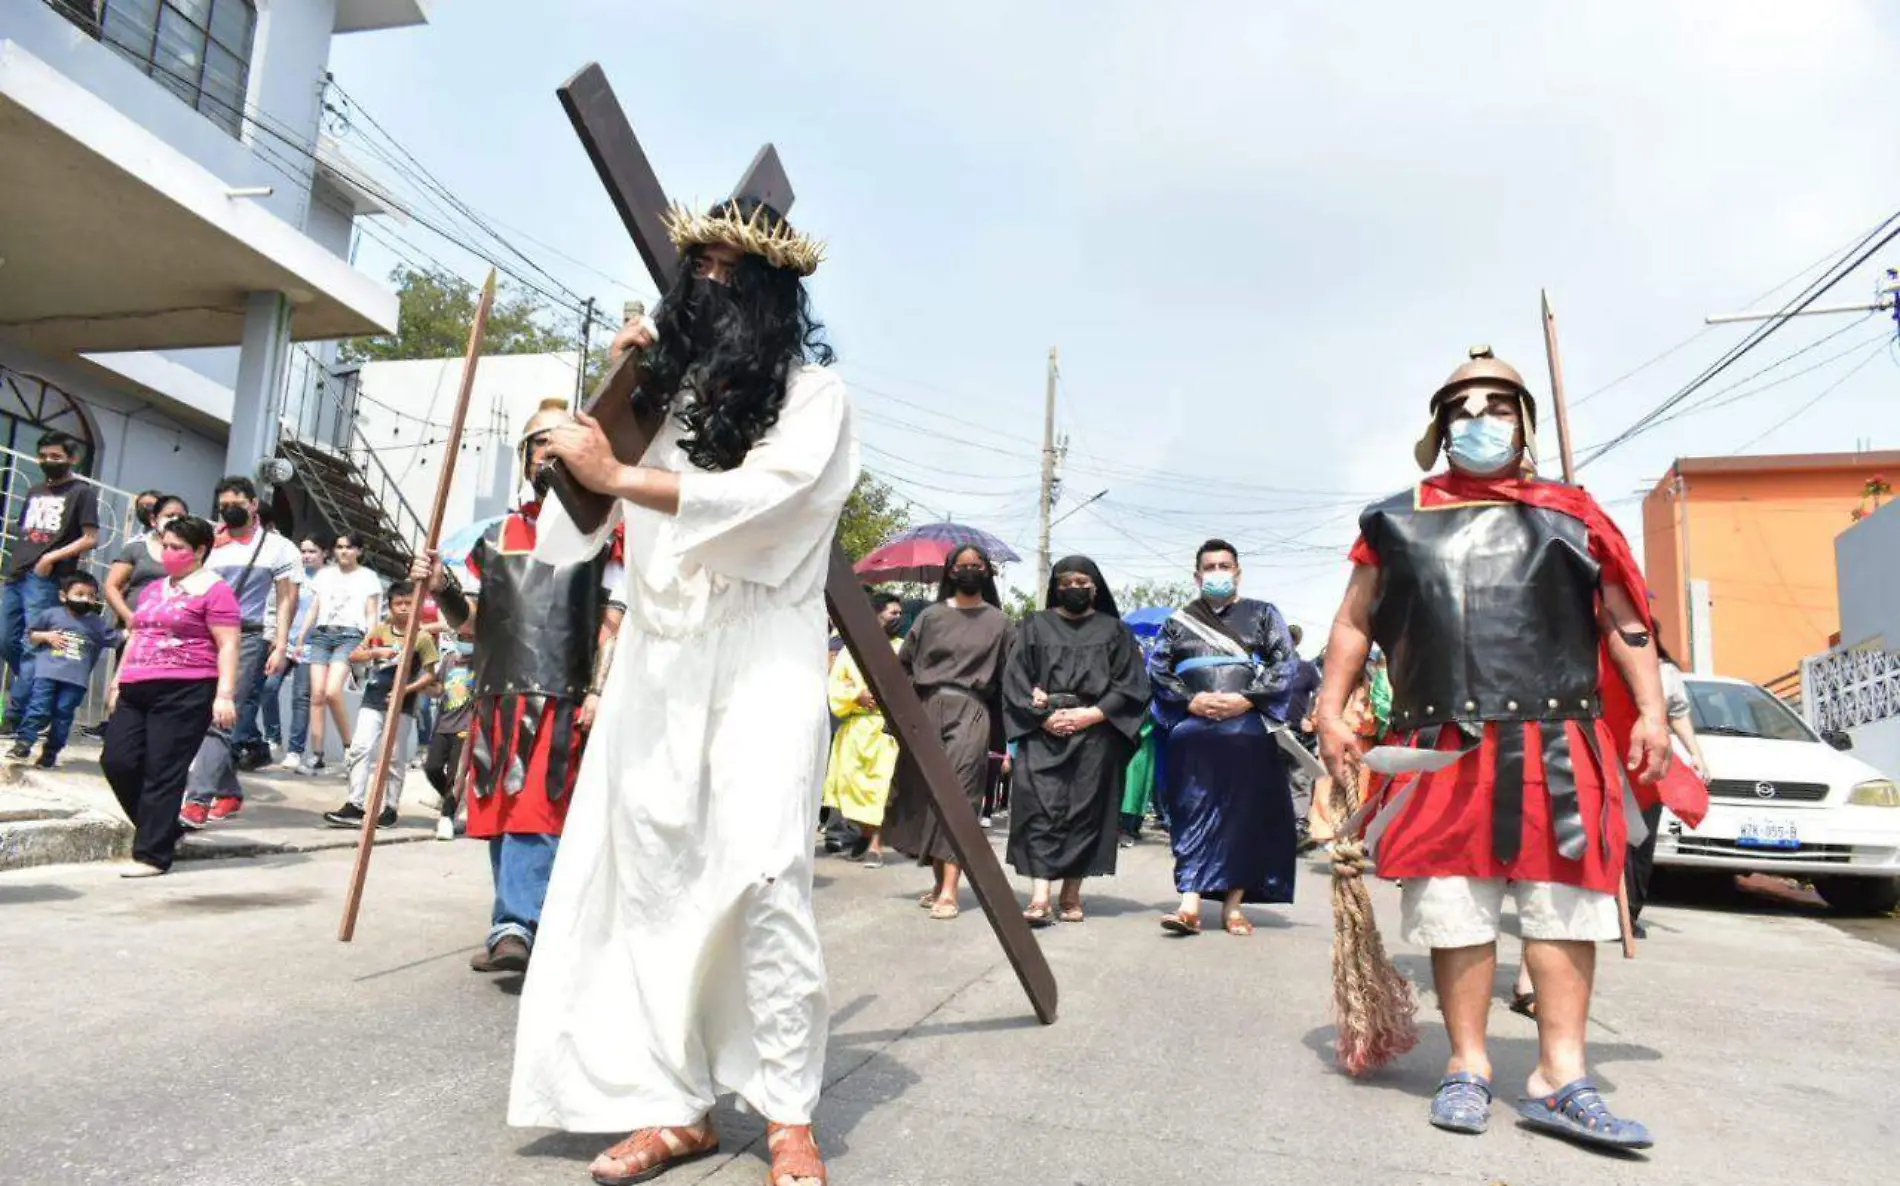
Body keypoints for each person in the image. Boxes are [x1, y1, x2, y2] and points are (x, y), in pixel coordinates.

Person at [508, 198, 847, 1186]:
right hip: (658, 653)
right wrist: (585, 438)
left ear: (774, 291)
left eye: (729, 269)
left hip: (763, 647)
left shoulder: (814, 393)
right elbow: (578, 525)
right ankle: (676, 1103)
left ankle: (787, 1114)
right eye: (694, 264)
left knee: (763, 870)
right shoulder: (655, 395)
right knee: (654, 873)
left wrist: (617, 470)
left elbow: (769, 497)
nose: (706, 283)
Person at [1315, 346, 1704, 1150]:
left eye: (1498, 406)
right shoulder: (1394, 518)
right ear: (1438, 426)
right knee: (1457, 913)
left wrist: (1653, 714)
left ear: (1524, 423)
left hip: (1558, 741)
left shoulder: (1574, 512)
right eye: (1464, 407)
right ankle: (1467, 1066)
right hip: (1439, 747)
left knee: (1564, 911)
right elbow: (1355, 622)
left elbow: (1623, 621)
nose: (1480, 420)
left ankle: (1561, 1077)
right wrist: (1328, 706)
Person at [411, 398, 625, 973]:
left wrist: (600, 692)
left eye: (557, 444)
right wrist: (441, 586)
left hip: (561, 692)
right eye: (537, 445)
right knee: (498, 814)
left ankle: (516, 925)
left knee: (537, 808)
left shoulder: (604, 532)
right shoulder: (497, 534)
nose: (545, 456)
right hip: (495, 694)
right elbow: (473, 623)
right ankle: (524, 922)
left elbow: (613, 621)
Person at [1149, 540, 1301, 937]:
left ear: (1237, 571)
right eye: (1210, 566)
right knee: (1190, 811)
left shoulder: (1264, 614)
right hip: (1193, 732)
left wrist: (1246, 699)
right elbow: (1158, 670)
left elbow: (1285, 663)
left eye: (1225, 565)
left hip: (1247, 730)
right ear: (1197, 575)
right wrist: (1191, 700)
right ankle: (1189, 902)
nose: (1217, 571)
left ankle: (1234, 905)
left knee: (1244, 816)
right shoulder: (1178, 621)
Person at [1003, 556, 1149, 925]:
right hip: (1043, 730)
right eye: (1066, 582)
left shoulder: (1115, 631)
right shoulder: (1034, 625)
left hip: (1095, 732)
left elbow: (1131, 685)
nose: (1074, 588)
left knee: (1086, 813)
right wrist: (1043, 716)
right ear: (1056, 587)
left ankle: (1071, 893)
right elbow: (1015, 678)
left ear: (1095, 587)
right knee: (1038, 810)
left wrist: (1092, 715)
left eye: (1082, 581)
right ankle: (1040, 896)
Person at [101, 516, 239, 877]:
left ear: (199, 551)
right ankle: (166, 830)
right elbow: (136, 635)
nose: (168, 552)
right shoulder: (152, 588)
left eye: (177, 547)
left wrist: (224, 694)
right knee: (118, 760)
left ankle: (152, 854)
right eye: (165, 544)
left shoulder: (215, 589)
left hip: (186, 688)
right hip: (136, 684)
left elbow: (228, 644)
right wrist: (117, 682)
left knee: (163, 771)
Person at [882, 544, 1012, 922]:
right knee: (927, 796)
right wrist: (898, 719)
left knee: (959, 796)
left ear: (988, 573)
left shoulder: (1000, 623)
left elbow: (1011, 678)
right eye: (962, 565)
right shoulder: (929, 617)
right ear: (950, 571)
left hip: (971, 711)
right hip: (926, 709)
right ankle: (939, 882)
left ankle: (951, 890)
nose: (970, 570)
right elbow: (902, 667)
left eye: (978, 565)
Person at [179, 478, 299, 826]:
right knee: (197, 714)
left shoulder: (278, 548)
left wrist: (281, 645)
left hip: (246, 637)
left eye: (236, 502)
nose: (229, 509)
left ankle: (197, 800)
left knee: (222, 715)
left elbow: (287, 599)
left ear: (252, 504)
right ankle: (229, 791)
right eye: (223, 503)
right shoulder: (209, 544)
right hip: (202, 634)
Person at [3, 432, 101, 731]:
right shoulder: (34, 491)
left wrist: (50, 558)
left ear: (73, 459)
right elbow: (25, 532)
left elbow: (91, 538)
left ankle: (17, 716)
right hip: (17, 575)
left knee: (34, 645)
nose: (48, 462)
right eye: (43, 456)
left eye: (56, 457)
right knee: (6, 639)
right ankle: (43, 690)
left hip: (46, 578)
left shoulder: (80, 492)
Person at [322, 581, 438, 829]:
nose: (404, 608)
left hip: (402, 705)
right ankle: (355, 804)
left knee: (394, 757)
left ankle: (390, 808)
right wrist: (377, 653)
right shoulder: (380, 630)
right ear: (390, 606)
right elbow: (355, 654)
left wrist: (405, 690)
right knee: (360, 748)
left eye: (409, 603)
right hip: (373, 699)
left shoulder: (423, 637)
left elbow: (429, 675)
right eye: (399, 603)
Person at [822, 592, 905, 867]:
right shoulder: (852, 649)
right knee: (848, 787)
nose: (898, 618)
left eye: (900, 613)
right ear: (876, 614)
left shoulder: (903, 648)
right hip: (855, 729)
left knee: (878, 789)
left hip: (885, 730)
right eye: (893, 612)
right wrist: (857, 695)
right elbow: (836, 683)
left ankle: (875, 845)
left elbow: (909, 686)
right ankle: (865, 835)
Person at [10, 573, 120, 766]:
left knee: (63, 716)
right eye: (79, 594)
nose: (85, 599)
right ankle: (23, 744)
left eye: (91, 596)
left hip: (75, 680)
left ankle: (50, 753)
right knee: (38, 709)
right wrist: (47, 636)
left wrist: (135, 630)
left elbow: (114, 638)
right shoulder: (51, 614)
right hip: (47, 674)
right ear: (63, 596)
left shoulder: (95, 622)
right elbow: (32, 635)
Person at [298, 530, 383, 774]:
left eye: (348, 547)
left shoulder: (368, 577)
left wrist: (369, 641)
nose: (343, 551)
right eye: (339, 546)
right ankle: (316, 755)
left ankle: (350, 749)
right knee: (316, 694)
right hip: (322, 634)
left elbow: (372, 614)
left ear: (359, 551)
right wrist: (302, 636)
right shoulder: (325, 575)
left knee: (333, 692)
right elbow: (314, 608)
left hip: (350, 635)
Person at [269, 537, 323, 771]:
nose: (306, 555)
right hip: (285, 642)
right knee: (268, 687)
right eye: (303, 551)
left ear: (324, 554)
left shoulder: (327, 580)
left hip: (311, 646)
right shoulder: (291, 577)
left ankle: (295, 751)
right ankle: (273, 738)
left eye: (312, 551)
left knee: (301, 698)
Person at [424, 619, 476, 841]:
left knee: (456, 773)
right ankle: (452, 801)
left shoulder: (482, 665)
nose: (467, 642)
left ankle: (447, 816)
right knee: (432, 768)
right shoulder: (449, 662)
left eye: (471, 638)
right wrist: (420, 684)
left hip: (465, 726)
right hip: (443, 724)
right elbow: (437, 689)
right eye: (463, 638)